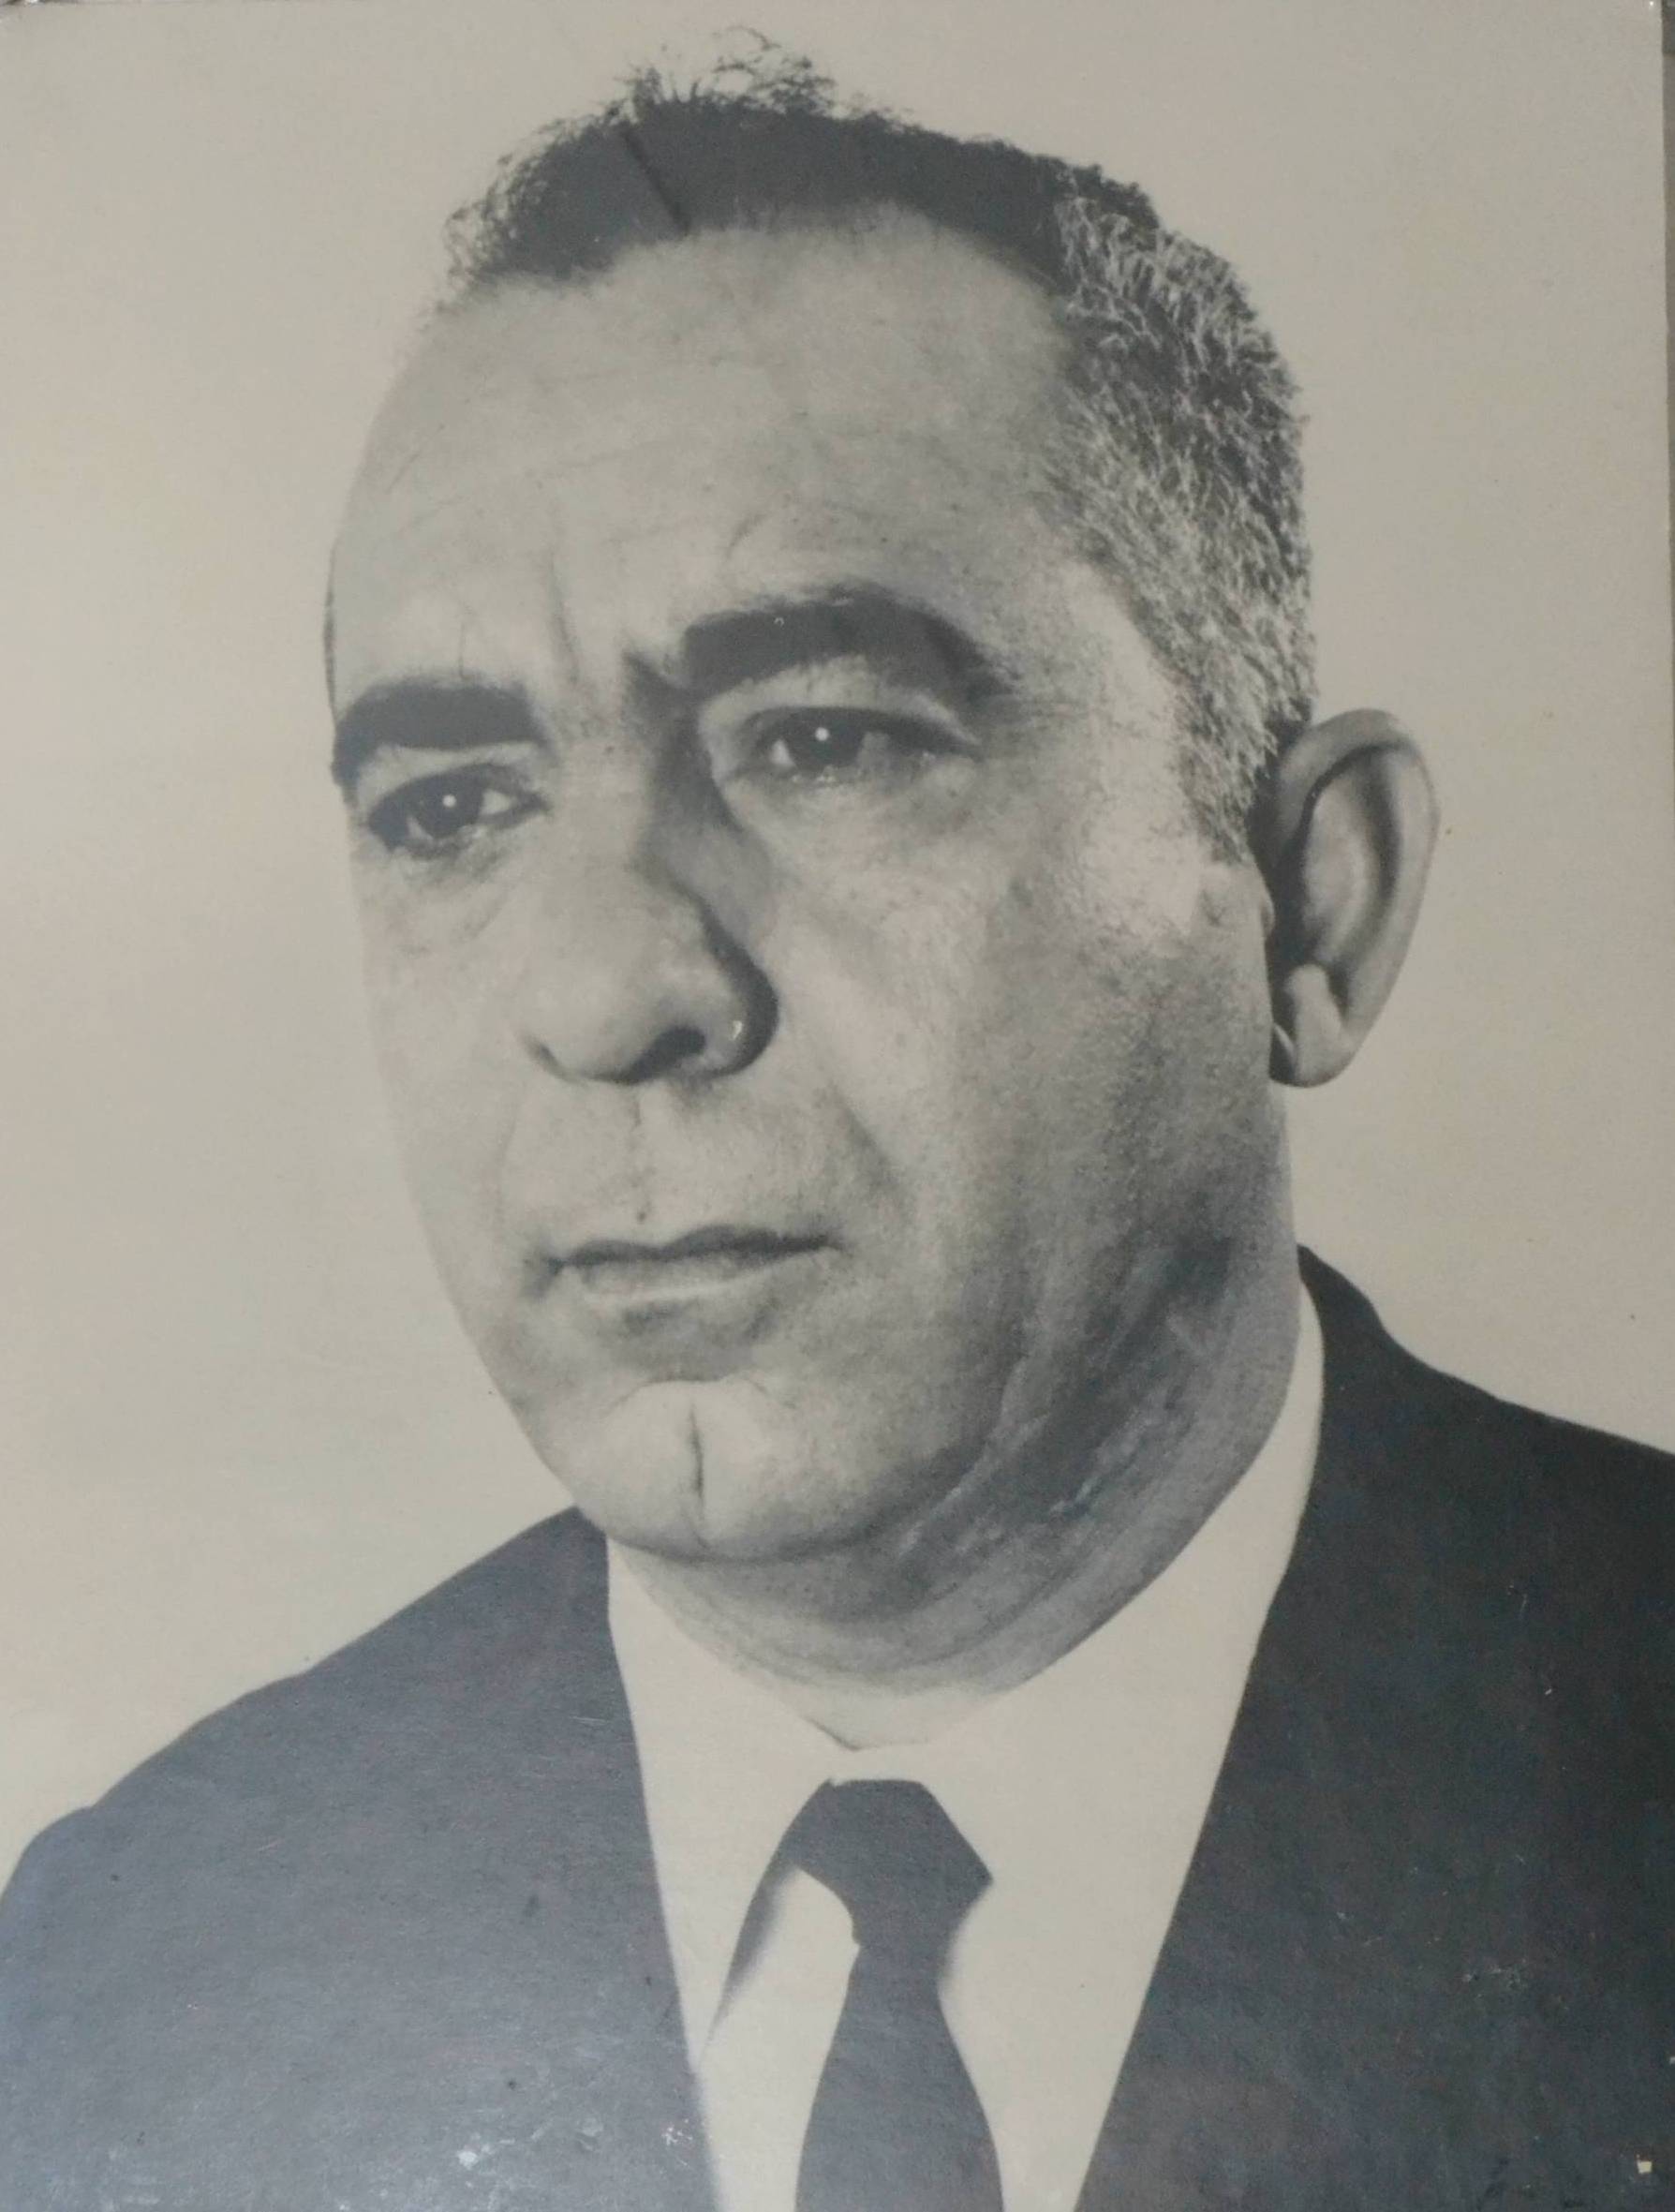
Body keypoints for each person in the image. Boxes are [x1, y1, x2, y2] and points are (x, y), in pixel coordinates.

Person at [2, 49, 1669, 2212]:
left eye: (821, 740)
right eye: (454, 805)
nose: (608, 991)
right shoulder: (130, 1959)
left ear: (1308, 903)